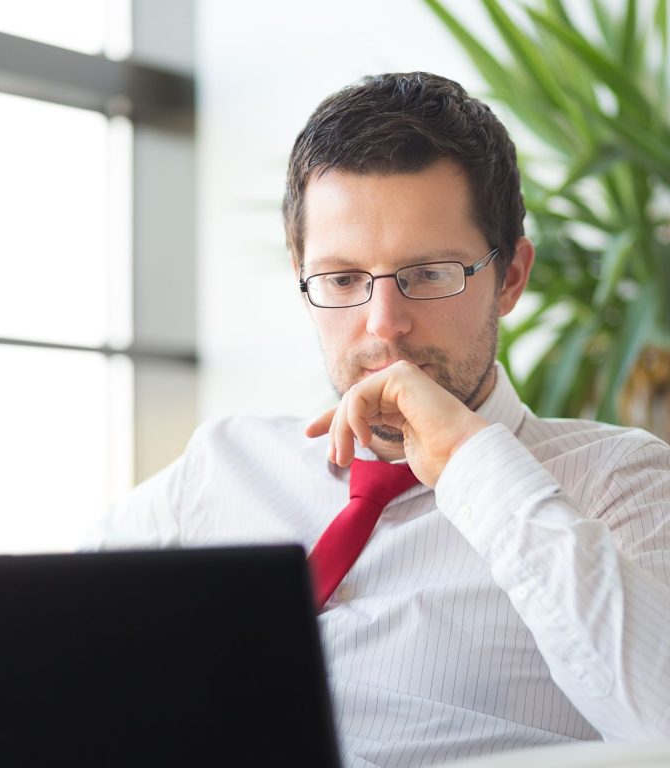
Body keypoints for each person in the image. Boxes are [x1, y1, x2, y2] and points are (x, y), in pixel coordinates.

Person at [88, 72, 670, 766]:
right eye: (341, 280)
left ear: (510, 277)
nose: (384, 325)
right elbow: (47, 645)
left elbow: (660, 716)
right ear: (303, 285)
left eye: (429, 273)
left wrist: (467, 460)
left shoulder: (619, 481)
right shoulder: (224, 466)